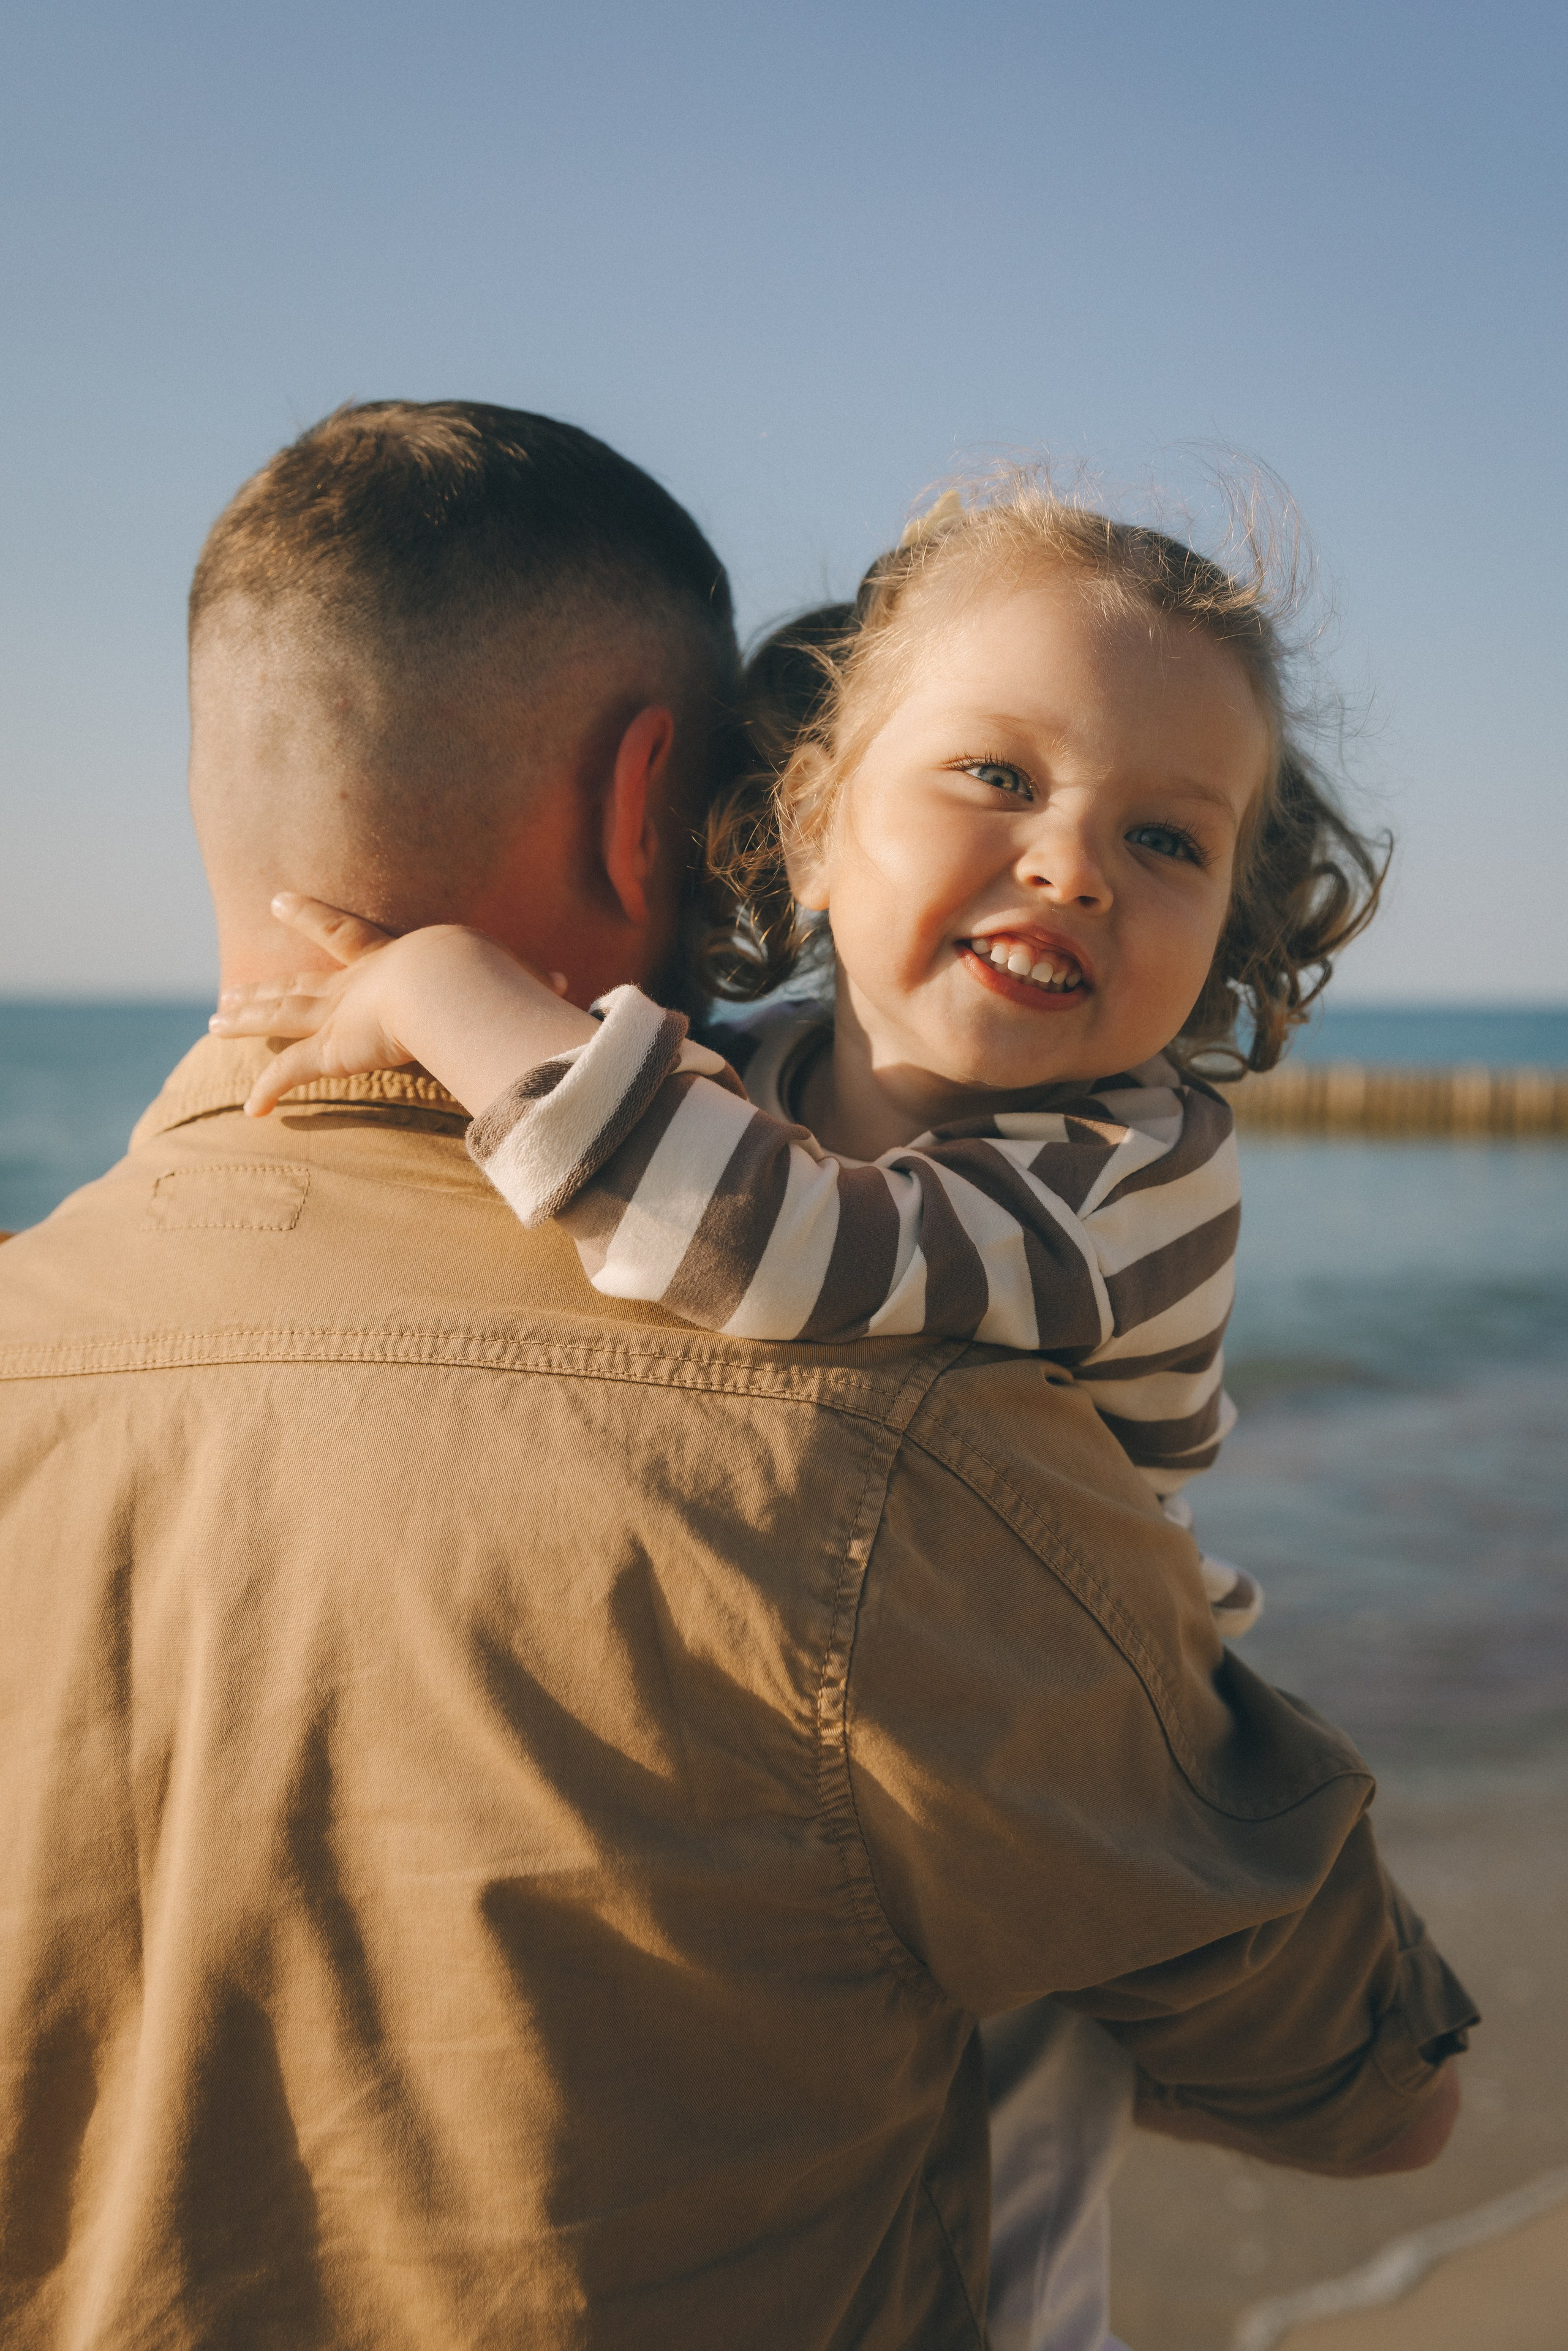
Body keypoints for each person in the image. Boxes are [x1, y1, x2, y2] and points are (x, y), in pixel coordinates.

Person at [0, 406, 1474, 2351]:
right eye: (992, 778)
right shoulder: (883, 1447)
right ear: (727, 811)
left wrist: (447, 987)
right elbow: (1379, 2091)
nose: (1077, 869)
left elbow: (795, 1242)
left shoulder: (1127, 1171)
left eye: (1168, 840)